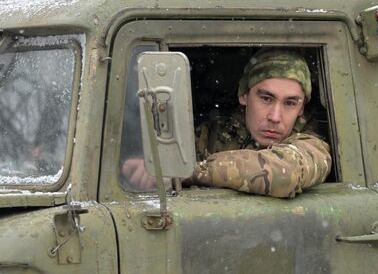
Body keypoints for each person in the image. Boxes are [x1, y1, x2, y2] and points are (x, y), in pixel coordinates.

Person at [122, 49, 331, 198]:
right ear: (244, 96)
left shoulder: (313, 143)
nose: (275, 116)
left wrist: (187, 172)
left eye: (290, 103)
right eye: (266, 98)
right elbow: (164, 163)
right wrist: (149, 169)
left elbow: (285, 174)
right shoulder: (213, 133)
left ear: (302, 108)